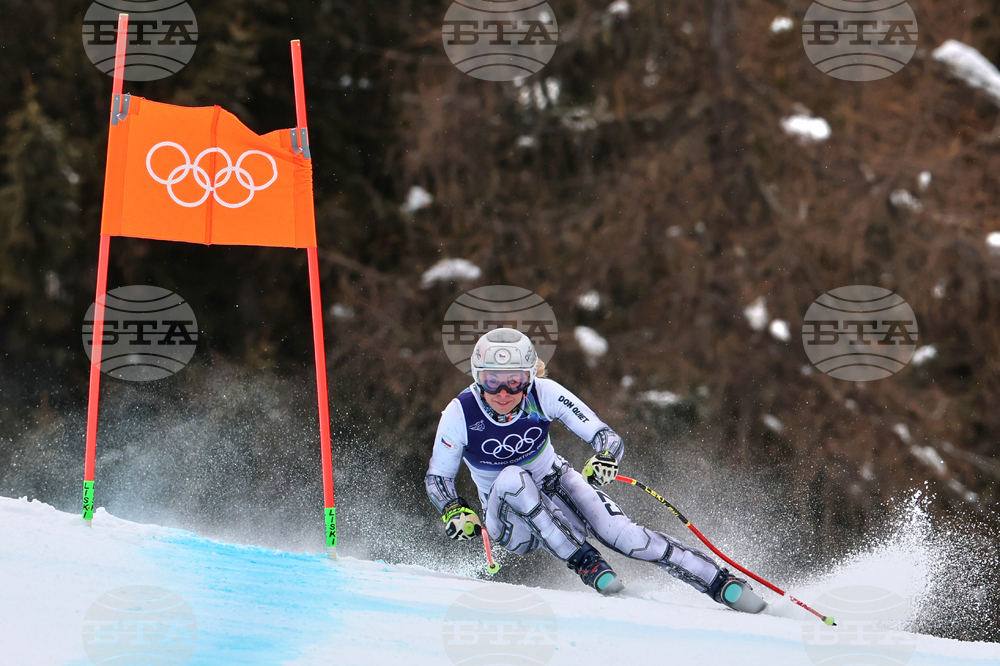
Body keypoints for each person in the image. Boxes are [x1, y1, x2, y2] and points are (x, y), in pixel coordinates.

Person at [424, 328, 765, 612]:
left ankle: (720, 582)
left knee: (622, 534)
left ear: (529, 377)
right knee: (513, 477)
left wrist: (605, 457)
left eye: (513, 382)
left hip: (556, 482)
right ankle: (585, 561)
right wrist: (454, 509)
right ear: (476, 377)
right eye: (491, 380)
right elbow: (438, 478)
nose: (502, 393)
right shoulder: (460, 412)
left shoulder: (544, 394)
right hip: (512, 524)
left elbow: (605, 436)